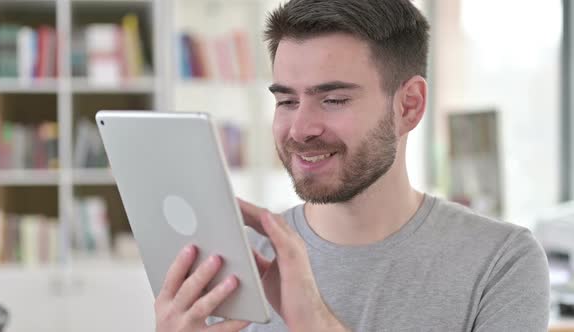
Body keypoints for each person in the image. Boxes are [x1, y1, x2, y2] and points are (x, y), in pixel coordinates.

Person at [155, 0, 550, 331]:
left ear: (408, 106)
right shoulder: (234, 260)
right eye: (286, 101)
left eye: (334, 100)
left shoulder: (500, 263)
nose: (300, 128)